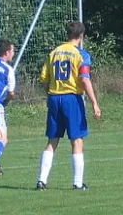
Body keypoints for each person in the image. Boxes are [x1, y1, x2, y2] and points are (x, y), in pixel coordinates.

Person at [36, 22, 101, 190]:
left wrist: (50, 94)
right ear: (81, 37)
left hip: (54, 97)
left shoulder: (54, 52)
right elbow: (85, 79)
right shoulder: (81, 55)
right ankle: (78, 183)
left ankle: (42, 180)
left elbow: (44, 78)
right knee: (77, 140)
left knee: (52, 140)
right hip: (72, 98)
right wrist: (95, 103)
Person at [0, 40, 16, 175]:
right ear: (7, 52)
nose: (13, 54)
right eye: (13, 51)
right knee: (2, 138)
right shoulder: (8, 70)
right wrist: (7, 101)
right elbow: (11, 93)